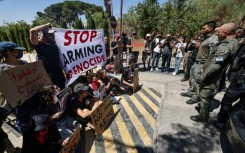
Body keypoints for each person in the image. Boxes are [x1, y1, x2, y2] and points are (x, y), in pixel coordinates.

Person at [190, 23, 238, 123]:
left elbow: (216, 64)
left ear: (225, 33)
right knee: (206, 95)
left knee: (204, 95)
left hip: (212, 76)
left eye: (219, 32)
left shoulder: (225, 46)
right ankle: (203, 111)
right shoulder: (232, 42)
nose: (217, 34)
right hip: (214, 74)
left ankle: (203, 117)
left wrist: (203, 76)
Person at [180, 21, 218, 105]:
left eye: (204, 28)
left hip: (202, 63)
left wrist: (206, 67)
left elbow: (213, 54)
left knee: (197, 81)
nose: (202, 30)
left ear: (210, 28)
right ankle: (190, 92)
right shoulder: (206, 38)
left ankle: (195, 97)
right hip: (197, 61)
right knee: (191, 78)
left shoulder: (213, 39)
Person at [215, 30, 245, 130]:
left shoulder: (230, 43)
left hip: (241, 80)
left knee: (227, 100)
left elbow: (219, 59)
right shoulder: (237, 42)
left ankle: (221, 122)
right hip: (238, 76)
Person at [30, 23, 66, 90]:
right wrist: (46, 25)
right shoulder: (40, 46)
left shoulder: (55, 46)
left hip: (60, 76)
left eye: (53, 34)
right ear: (44, 35)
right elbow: (33, 31)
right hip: (49, 79)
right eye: (50, 34)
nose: (53, 36)